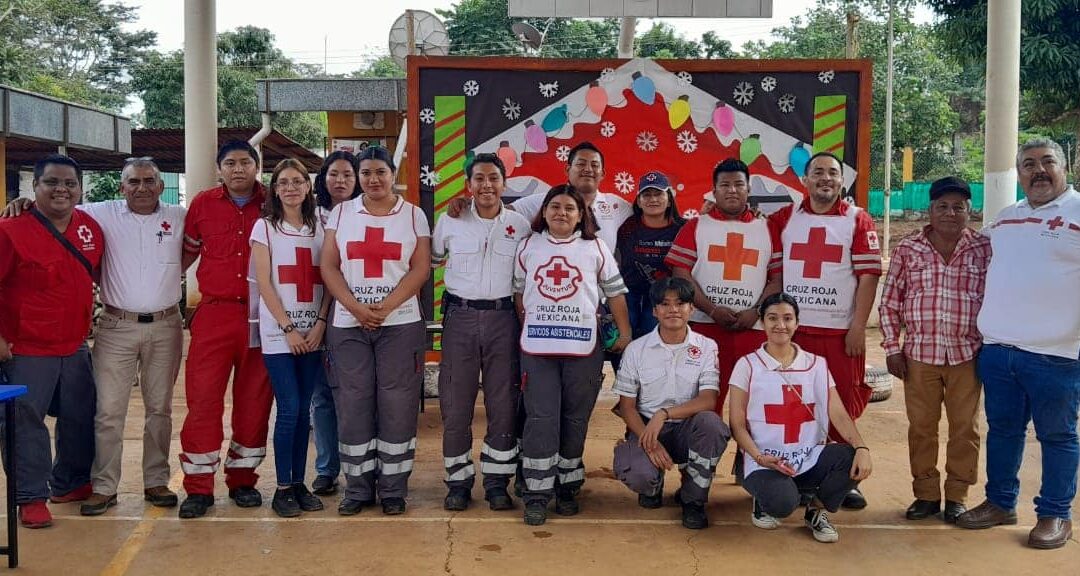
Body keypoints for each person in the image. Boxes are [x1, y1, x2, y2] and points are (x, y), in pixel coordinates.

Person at [2, 156, 190, 516]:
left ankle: (133, 481)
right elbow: (49, 207)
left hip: (136, 332)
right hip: (85, 333)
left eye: (149, 181)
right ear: (121, 187)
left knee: (139, 411)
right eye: (133, 181)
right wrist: (20, 204)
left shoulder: (171, 217)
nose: (142, 187)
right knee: (100, 413)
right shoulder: (91, 215)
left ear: (161, 185)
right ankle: (76, 490)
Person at [956, 139, 1080, 550]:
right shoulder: (1005, 219)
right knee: (1003, 431)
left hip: (1057, 355)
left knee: (1057, 436)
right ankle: (1000, 503)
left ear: (1065, 168)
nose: (1038, 171)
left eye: (1047, 162)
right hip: (998, 351)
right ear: (1019, 173)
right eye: (1028, 164)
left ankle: (1055, 513)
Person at [767, 152, 882, 509]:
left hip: (839, 333)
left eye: (833, 173)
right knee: (793, 406)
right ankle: (794, 472)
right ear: (805, 179)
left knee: (844, 406)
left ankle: (843, 480)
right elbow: (775, 275)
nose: (825, 179)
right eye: (817, 172)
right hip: (794, 334)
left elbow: (868, 276)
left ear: (841, 181)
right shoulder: (785, 219)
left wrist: (858, 327)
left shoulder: (857, 220)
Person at [321, 146, 431, 516]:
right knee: (353, 405)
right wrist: (355, 307)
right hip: (349, 325)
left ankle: (394, 489)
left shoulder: (413, 216)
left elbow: (419, 269)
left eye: (380, 171)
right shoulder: (341, 213)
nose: (373, 179)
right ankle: (357, 488)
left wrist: (385, 307)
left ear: (392, 172)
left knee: (397, 404)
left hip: (399, 324)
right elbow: (329, 266)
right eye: (365, 172)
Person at [513, 184, 632, 526]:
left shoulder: (594, 246)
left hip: (583, 349)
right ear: (544, 211)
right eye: (555, 206)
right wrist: (531, 321)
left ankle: (567, 487)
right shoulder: (528, 246)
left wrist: (624, 334)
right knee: (541, 418)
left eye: (569, 208)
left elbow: (615, 293)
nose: (561, 213)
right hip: (538, 350)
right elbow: (520, 294)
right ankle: (536, 493)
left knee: (575, 418)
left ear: (582, 215)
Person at [0, 154, 104, 528]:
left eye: (69, 183)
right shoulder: (10, 228)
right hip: (25, 347)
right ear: (35, 187)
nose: (61, 189)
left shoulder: (90, 227)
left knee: (79, 417)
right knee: (24, 422)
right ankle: (30, 496)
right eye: (51, 183)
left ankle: (71, 482)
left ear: (80, 189)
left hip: (74, 345)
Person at [879, 176, 990, 524]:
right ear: (930, 209)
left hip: (967, 355)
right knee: (922, 428)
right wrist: (891, 348)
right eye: (942, 206)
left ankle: (957, 495)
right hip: (919, 356)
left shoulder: (984, 249)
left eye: (958, 206)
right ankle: (926, 495)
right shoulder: (909, 249)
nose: (950, 213)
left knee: (965, 429)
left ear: (970, 211)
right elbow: (889, 302)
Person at [729, 292, 873, 543]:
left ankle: (816, 511)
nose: (780, 325)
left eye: (787, 318)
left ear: (797, 323)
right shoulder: (748, 365)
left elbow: (837, 413)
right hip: (764, 459)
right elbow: (737, 424)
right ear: (762, 322)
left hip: (807, 456)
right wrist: (758, 456)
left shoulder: (817, 364)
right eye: (772, 318)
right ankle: (764, 499)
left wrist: (861, 446)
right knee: (783, 505)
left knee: (852, 459)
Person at [178, 140, 274, 519]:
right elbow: (185, 253)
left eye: (245, 162)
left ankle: (243, 479)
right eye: (230, 163)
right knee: (203, 401)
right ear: (219, 169)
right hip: (214, 315)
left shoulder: (273, 202)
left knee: (254, 401)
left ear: (257, 167)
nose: (238, 169)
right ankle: (199, 488)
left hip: (261, 316)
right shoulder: (202, 204)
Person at [431, 153, 531, 511]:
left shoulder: (520, 225)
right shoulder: (451, 220)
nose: (486, 185)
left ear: (504, 183)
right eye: (479, 179)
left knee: (502, 403)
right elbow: (431, 260)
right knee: (456, 404)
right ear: (469, 184)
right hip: (460, 317)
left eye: (493, 178)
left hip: (504, 320)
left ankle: (496, 482)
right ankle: (457, 482)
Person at [613, 276, 729, 530]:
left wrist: (664, 413)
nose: (673, 310)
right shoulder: (636, 349)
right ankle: (653, 484)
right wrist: (649, 442)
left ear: (692, 308)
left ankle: (693, 500)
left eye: (680, 303)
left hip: (688, 429)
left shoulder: (707, 347)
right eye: (665, 304)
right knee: (639, 474)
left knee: (712, 425)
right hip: (648, 429)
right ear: (654, 311)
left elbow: (708, 400)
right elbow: (627, 408)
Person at [250, 159, 331, 518]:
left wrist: (320, 324)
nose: (291, 188)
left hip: (313, 332)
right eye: (284, 182)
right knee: (290, 409)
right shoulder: (264, 228)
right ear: (274, 189)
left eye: (298, 181)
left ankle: (299, 483)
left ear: (308, 187)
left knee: (304, 415)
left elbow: (330, 276)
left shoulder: (323, 226)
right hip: (280, 334)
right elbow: (265, 283)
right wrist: (288, 328)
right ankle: (282, 487)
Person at [667, 158, 778, 414]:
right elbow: (680, 272)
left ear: (748, 190)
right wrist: (712, 309)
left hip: (754, 328)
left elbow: (777, 279)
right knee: (703, 404)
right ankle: (701, 455)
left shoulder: (769, 229)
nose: (732, 190)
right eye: (725, 185)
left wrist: (758, 311)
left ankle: (749, 456)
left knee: (756, 407)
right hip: (705, 328)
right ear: (714, 191)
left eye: (739, 184)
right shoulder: (695, 226)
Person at [447, 142, 632, 254]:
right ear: (567, 169)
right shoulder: (544, 201)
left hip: (599, 304)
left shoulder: (615, 205)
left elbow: (650, 210)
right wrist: (468, 203)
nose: (588, 169)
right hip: (550, 300)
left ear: (603, 173)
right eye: (581, 164)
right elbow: (500, 212)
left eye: (594, 165)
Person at [308, 150, 362, 496]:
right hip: (310, 318)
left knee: (355, 395)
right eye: (333, 174)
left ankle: (360, 468)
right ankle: (326, 468)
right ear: (322, 179)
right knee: (322, 397)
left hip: (352, 315)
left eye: (347, 174)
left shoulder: (365, 216)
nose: (340, 181)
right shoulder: (307, 216)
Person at [615, 171, 685, 340]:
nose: (653, 199)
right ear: (639, 201)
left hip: (664, 295)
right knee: (623, 334)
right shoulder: (626, 227)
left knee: (651, 333)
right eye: (646, 195)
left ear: (669, 199)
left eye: (658, 194)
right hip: (628, 292)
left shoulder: (683, 228)